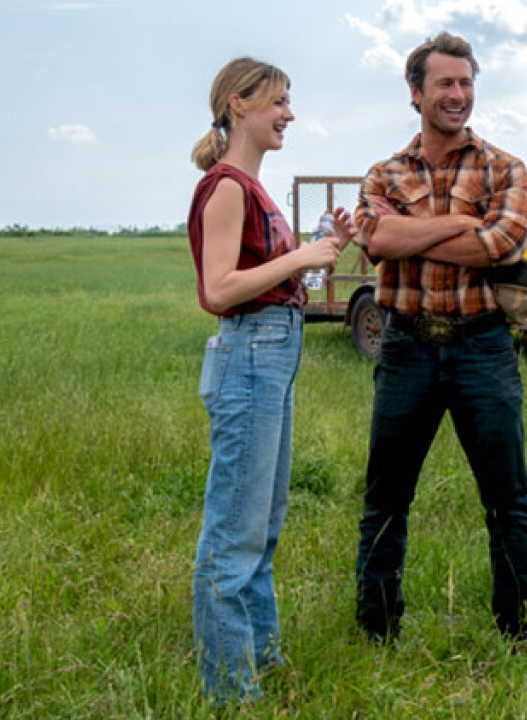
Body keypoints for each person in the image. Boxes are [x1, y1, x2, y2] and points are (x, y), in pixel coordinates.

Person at [351, 31, 527, 644]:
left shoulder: (505, 168)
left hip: (482, 346)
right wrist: (460, 222)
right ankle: (377, 629)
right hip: (405, 347)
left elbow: (501, 245)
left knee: (507, 499)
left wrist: (410, 233)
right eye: (444, 83)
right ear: (416, 93)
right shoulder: (383, 173)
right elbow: (375, 240)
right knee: (386, 498)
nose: (457, 94)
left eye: (465, 83)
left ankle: (519, 631)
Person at [186, 56, 353, 703]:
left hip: (271, 355)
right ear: (239, 104)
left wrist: (322, 249)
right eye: (279, 102)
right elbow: (219, 288)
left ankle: (262, 661)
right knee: (234, 533)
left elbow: (279, 281)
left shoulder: (253, 188)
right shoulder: (227, 186)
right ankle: (231, 693)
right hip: (251, 356)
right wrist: (300, 256)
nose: (289, 115)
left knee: (262, 526)